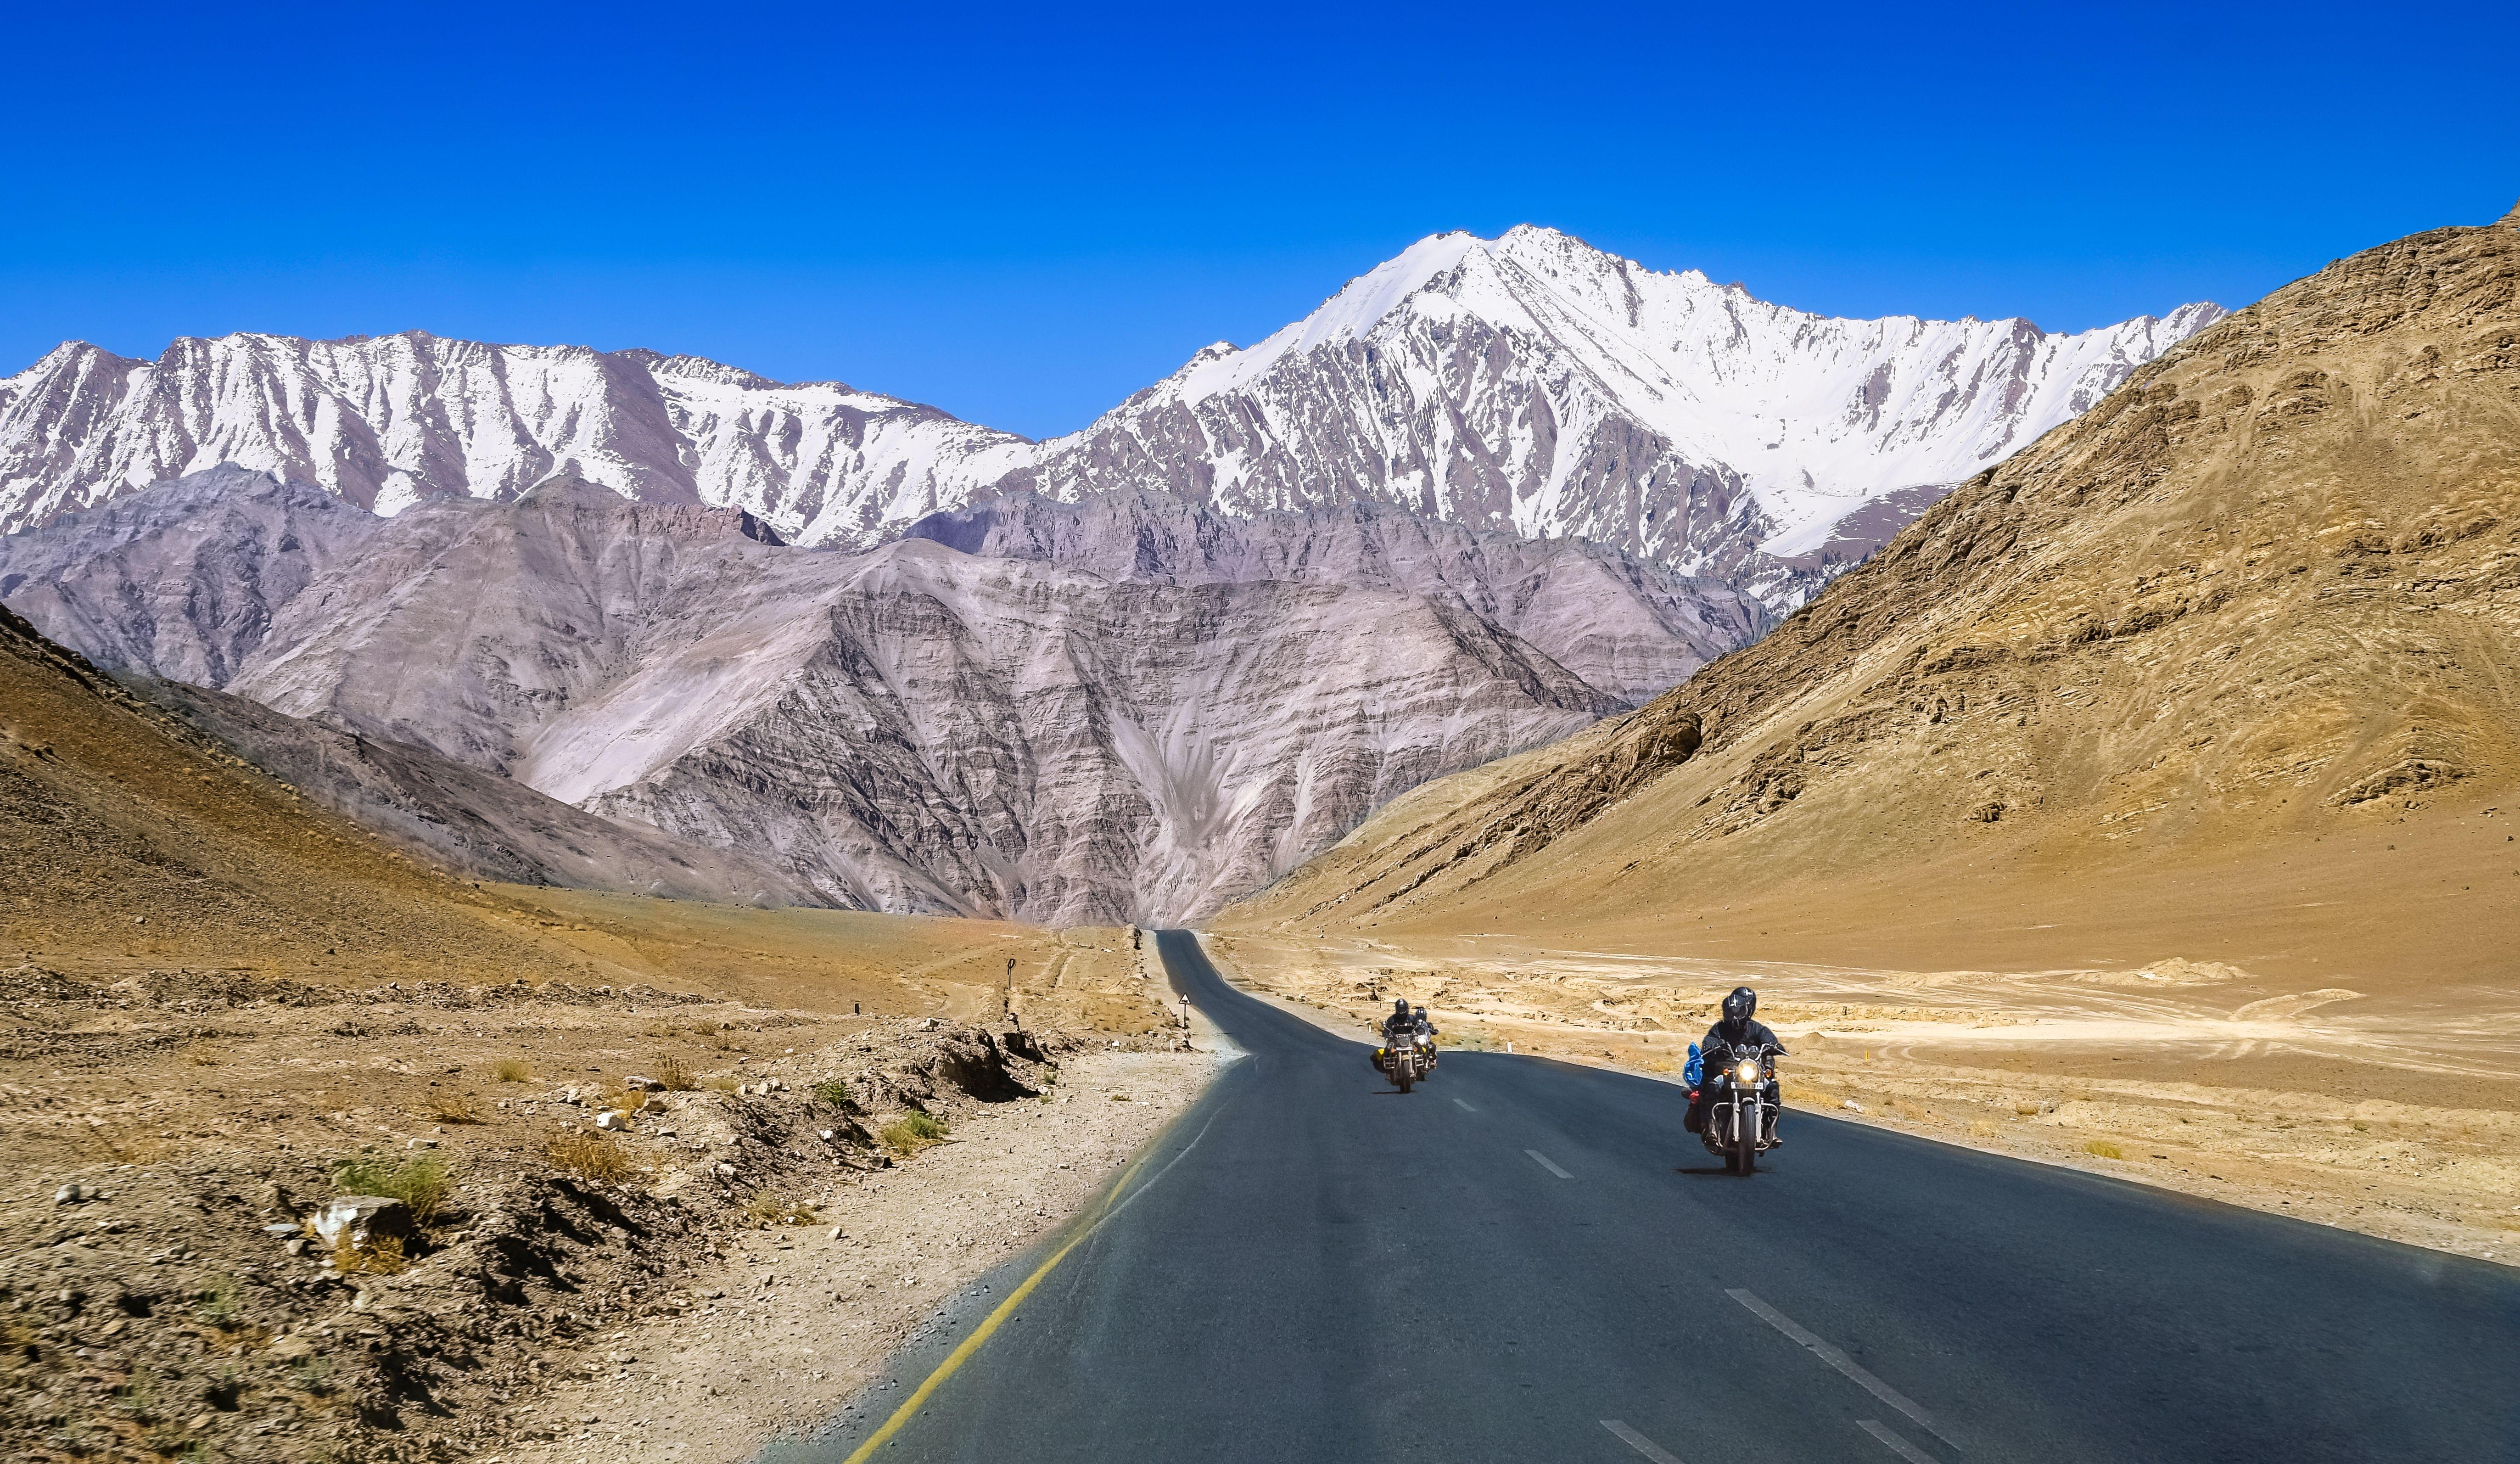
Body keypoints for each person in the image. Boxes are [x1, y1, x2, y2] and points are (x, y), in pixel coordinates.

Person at [1686, 987, 1786, 1144]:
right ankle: (1711, 1127)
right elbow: (1710, 1040)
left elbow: (1768, 1038)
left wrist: (1773, 1045)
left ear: (1746, 1011)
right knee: (1712, 1086)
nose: (1736, 1018)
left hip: (1752, 1072)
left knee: (1772, 1087)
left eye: (1739, 1013)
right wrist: (1711, 1046)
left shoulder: (1756, 1029)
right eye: (1731, 1014)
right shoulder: (1719, 1029)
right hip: (1728, 1072)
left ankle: (1771, 1130)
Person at [1411, 1004, 1439, 1069]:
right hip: (1416, 1041)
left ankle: (1432, 1060)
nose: (1421, 1019)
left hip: (1425, 1040)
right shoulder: (1413, 1024)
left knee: (1433, 1046)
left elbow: (1433, 1031)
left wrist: (1435, 1031)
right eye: (1420, 1017)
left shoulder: (1429, 1025)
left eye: (1423, 1017)